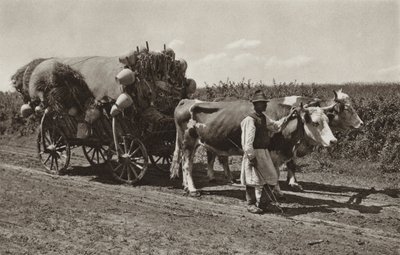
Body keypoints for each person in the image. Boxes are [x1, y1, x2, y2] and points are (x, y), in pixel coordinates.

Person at [240, 90, 294, 214]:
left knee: (272, 178)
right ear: (255, 104)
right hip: (254, 152)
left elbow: (275, 126)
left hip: (263, 152)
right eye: (262, 103)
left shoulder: (263, 118)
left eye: (265, 103)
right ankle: (251, 204)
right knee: (251, 179)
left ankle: (264, 204)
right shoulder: (250, 120)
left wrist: (288, 117)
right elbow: (247, 140)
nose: (265, 105)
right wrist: (250, 156)